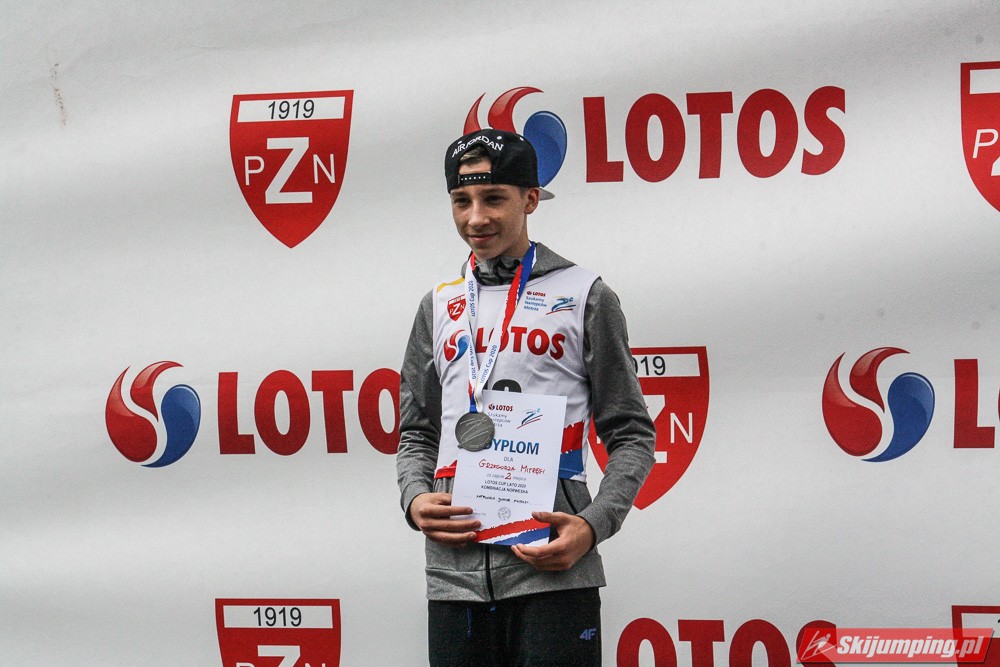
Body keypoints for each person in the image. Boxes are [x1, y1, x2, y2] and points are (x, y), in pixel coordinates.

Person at [396, 128, 656, 666]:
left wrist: (593, 524)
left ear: (531, 199)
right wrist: (415, 499)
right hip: (454, 576)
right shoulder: (438, 305)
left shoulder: (584, 295)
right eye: (461, 201)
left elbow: (632, 434)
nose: (476, 218)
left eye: (494, 198)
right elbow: (418, 431)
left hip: (552, 571)